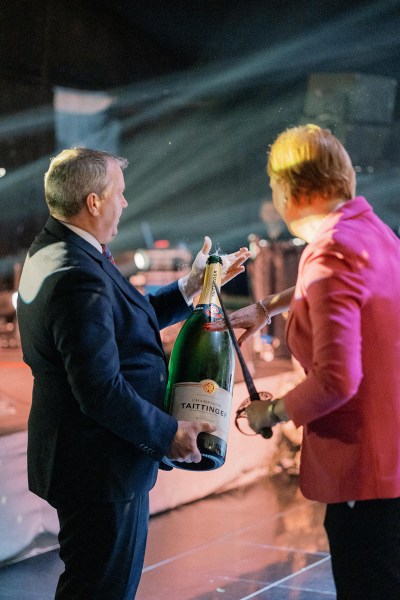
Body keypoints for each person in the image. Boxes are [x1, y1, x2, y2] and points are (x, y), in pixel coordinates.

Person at [16, 147, 250, 600]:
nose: (125, 203)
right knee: (101, 590)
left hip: (87, 459)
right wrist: (168, 434)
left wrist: (192, 286)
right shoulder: (75, 274)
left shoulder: (59, 249)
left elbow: (128, 317)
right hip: (98, 467)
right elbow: (99, 389)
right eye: (119, 194)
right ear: (94, 202)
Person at [208, 124, 400, 599]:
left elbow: (338, 380)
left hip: (364, 468)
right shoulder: (369, 229)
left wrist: (268, 413)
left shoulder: (329, 250)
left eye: (274, 185)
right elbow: (350, 289)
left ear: (295, 187)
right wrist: (269, 305)